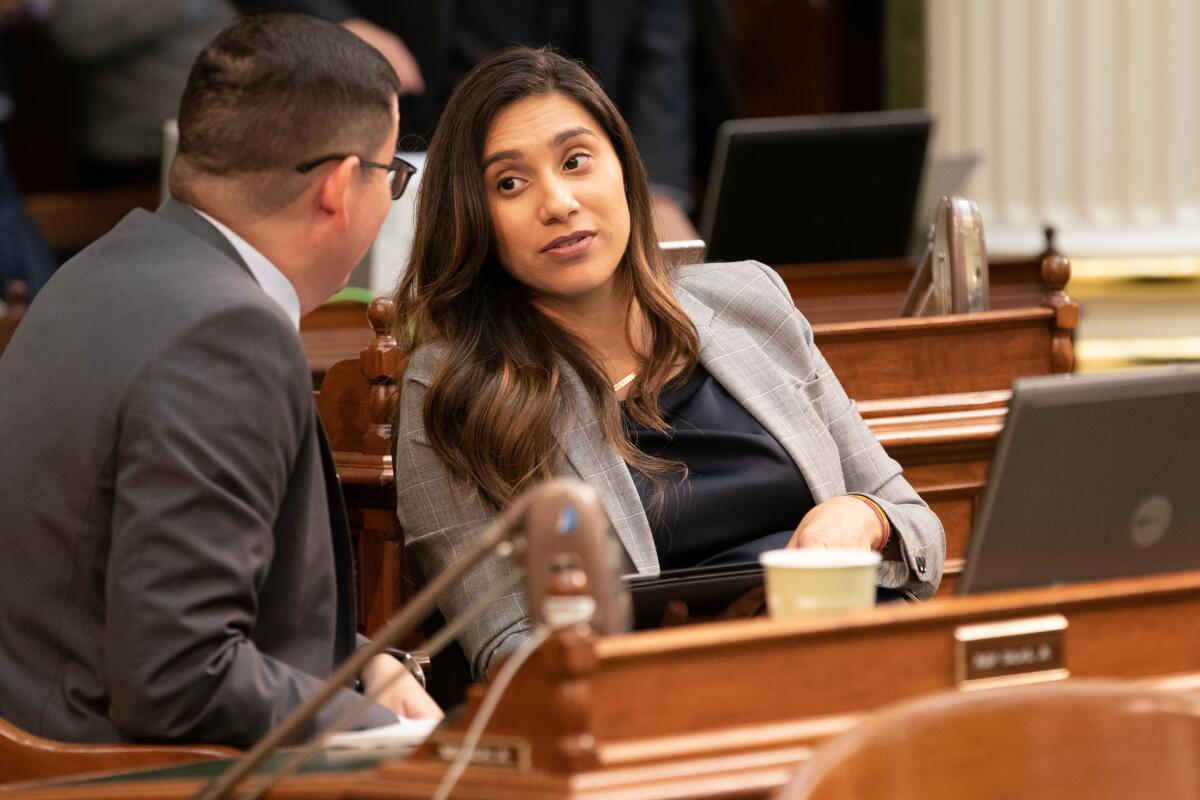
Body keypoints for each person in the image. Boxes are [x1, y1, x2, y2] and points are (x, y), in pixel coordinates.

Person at [391, 47, 946, 685]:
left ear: (625, 171)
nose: (559, 202)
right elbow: (506, 646)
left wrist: (862, 516)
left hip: (855, 663)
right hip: (661, 703)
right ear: (473, 217)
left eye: (577, 161)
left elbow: (920, 529)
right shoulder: (456, 385)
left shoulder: (751, 302)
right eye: (509, 183)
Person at [0, 13, 439, 747]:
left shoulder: (97, 268)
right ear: (338, 187)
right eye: (392, 174)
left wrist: (363, 670)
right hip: (111, 781)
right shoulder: (227, 334)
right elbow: (180, 678)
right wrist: (380, 728)